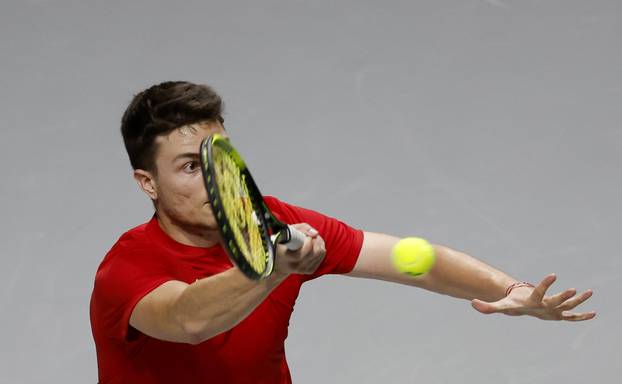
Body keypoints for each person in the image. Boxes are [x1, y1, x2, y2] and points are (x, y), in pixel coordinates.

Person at [89, 81, 595, 383]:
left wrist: (510, 290)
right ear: (147, 183)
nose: (213, 179)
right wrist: (271, 270)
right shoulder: (128, 267)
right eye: (187, 167)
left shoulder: (275, 217)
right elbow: (187, 319)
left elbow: (410, 259)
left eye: (216, 157)